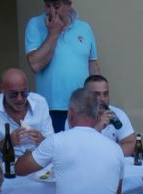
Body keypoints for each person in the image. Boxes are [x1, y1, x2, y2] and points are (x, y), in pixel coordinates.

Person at [25, 0, 99, 132]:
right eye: (48, 6)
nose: (51, 11)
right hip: (50, 109)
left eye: (56, 6)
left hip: (82, 106)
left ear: (69, 5)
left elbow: (92, 66)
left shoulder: (85, 28)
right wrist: (54, 33)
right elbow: (35, 65)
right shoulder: (35, 24)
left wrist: (98, 100)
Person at [0, 68, 54, 159]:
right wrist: (7, 142)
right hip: (6, 164)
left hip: (38, 162)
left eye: (24, 93)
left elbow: (52, 144)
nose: (19, 99)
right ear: (2, 89)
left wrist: (42, 140)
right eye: (13, 94)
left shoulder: (40, 102)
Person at [83, 75, 134, 156]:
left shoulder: (118, 114)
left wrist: (109, 157)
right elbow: (80, 150)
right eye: (97, 94)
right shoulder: (75, 117)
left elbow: (131, 143)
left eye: (105, 94)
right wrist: (98, 127)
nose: (102, 98)